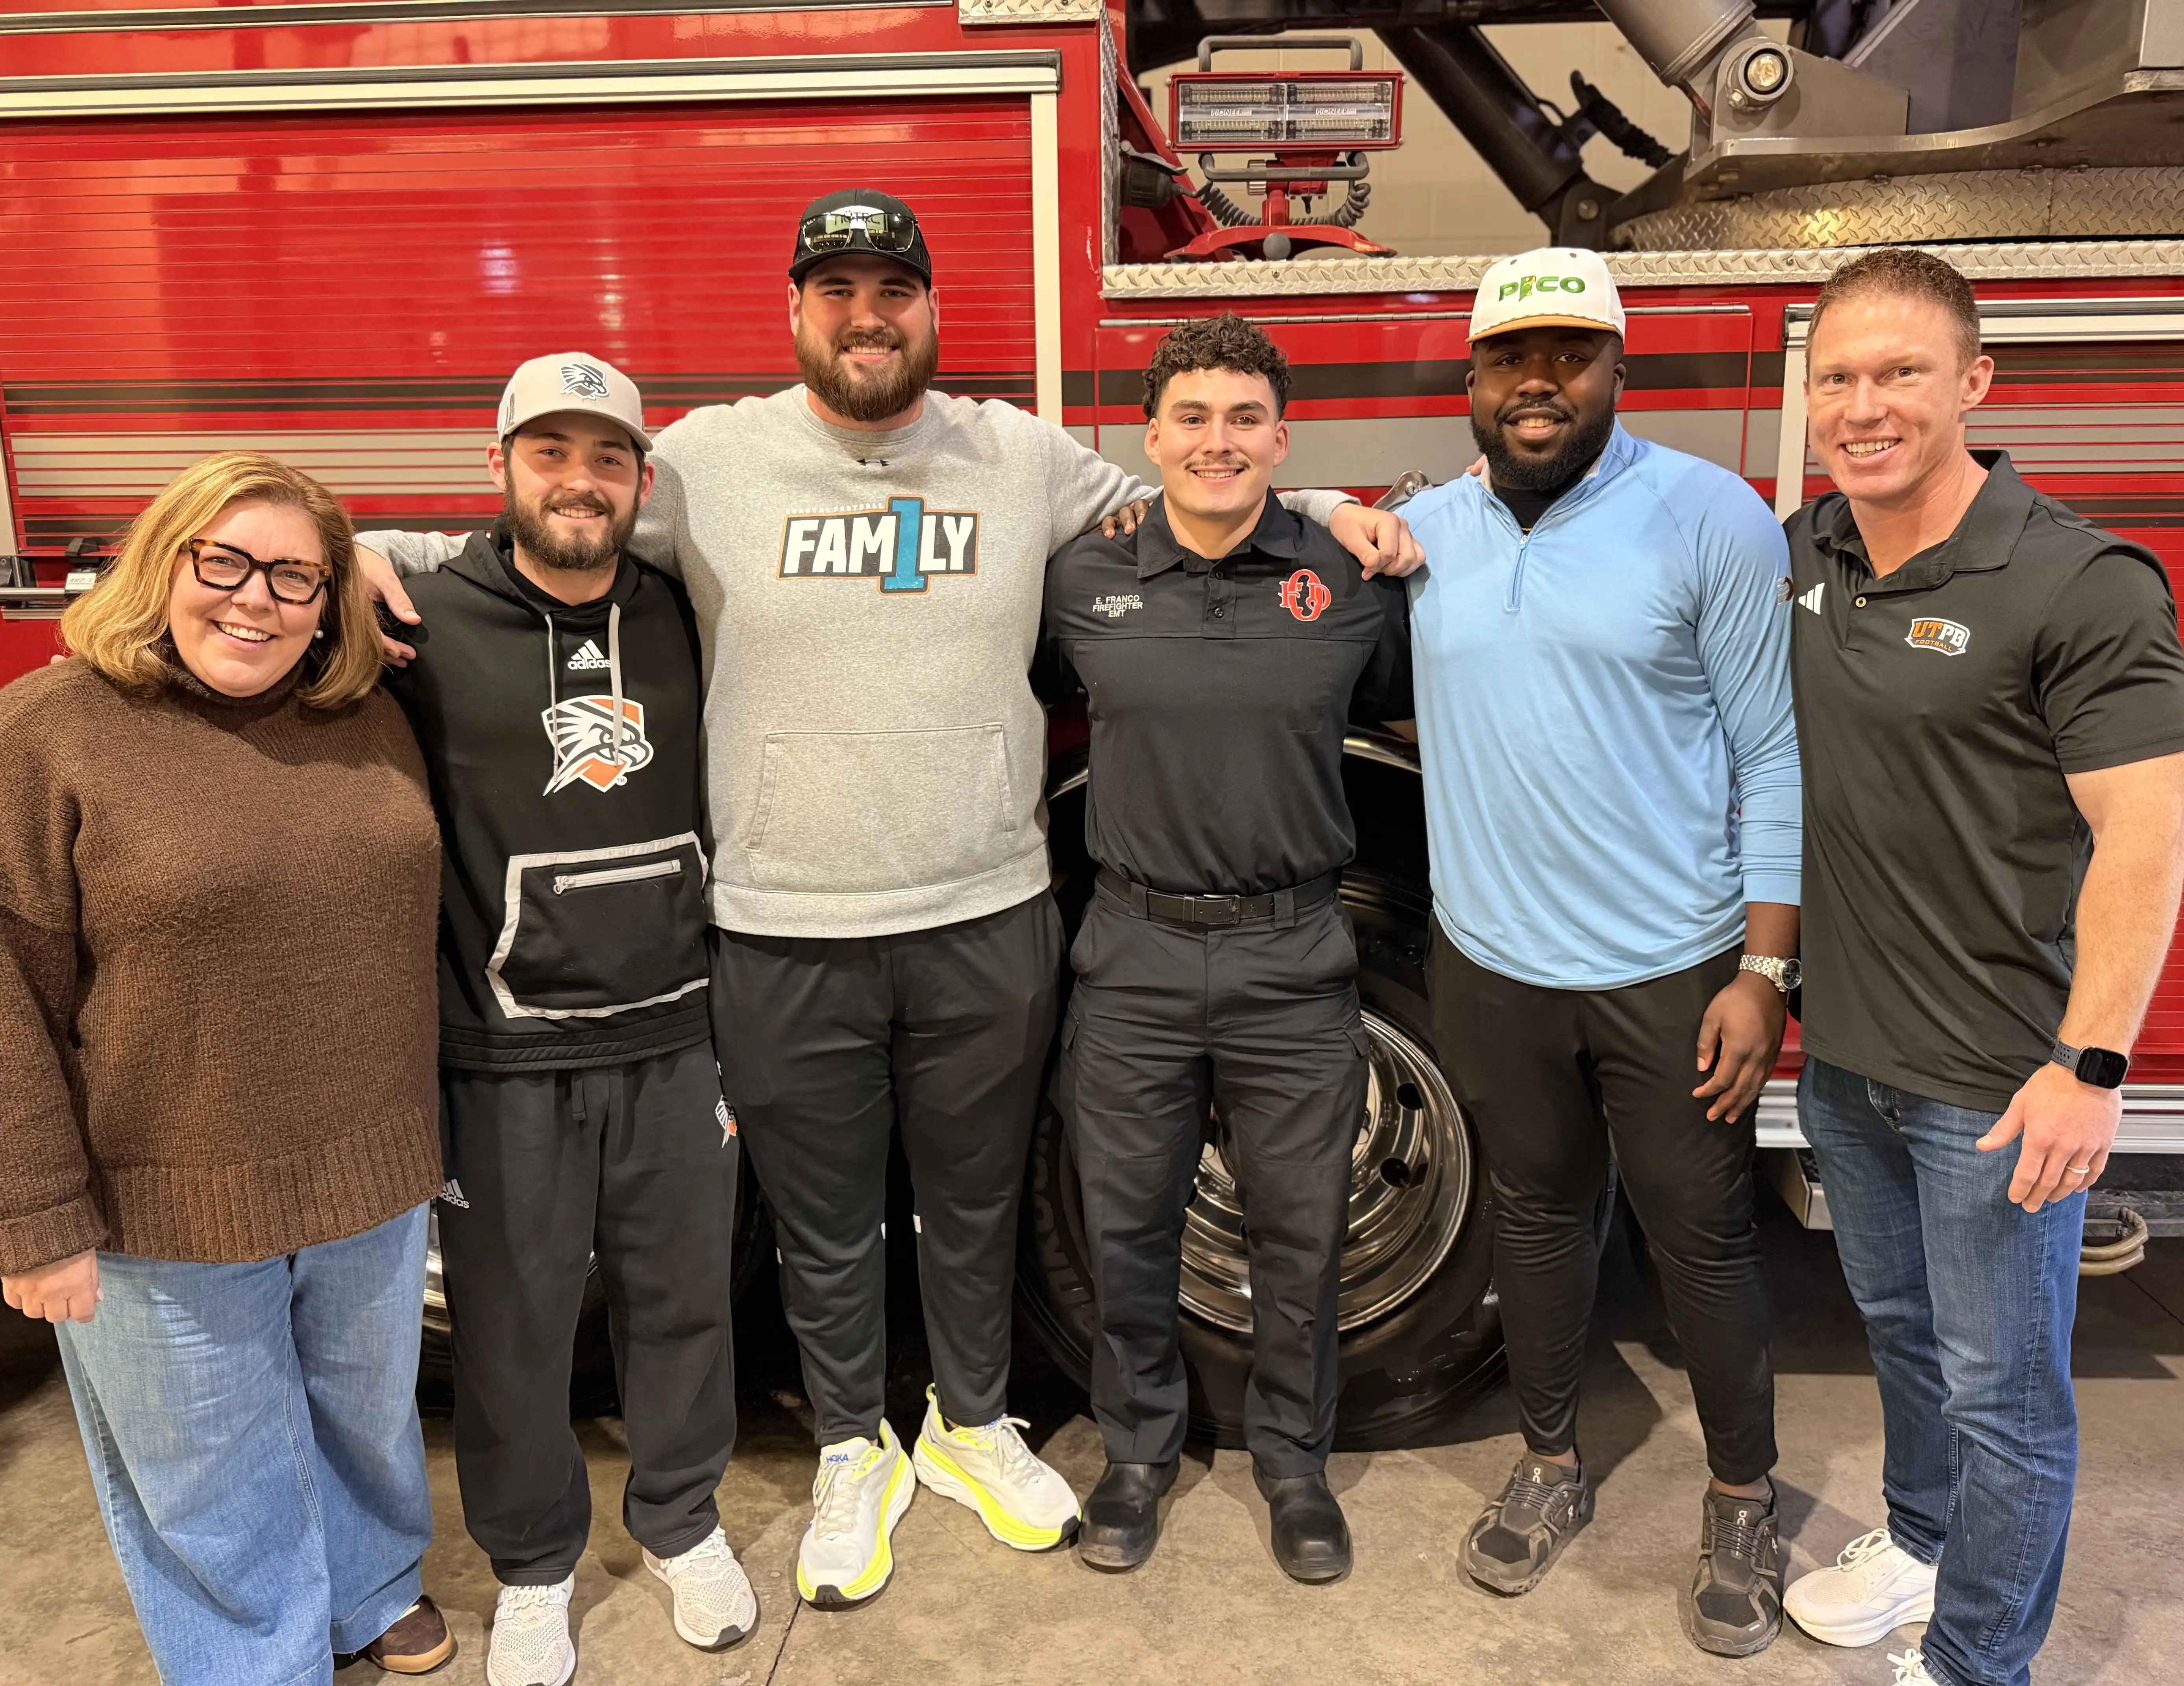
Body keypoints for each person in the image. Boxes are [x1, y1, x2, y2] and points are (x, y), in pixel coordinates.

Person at [355, 189, 1422, 1608]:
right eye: (838, 291)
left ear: (931, 308)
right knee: (825, 1215)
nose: (869, 317)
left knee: (977, 1203)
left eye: (895, 291)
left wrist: (1340, 509)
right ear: (796, 310)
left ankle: (970, 1423)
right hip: (785, 924)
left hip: (988, 912)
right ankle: (855, 1439)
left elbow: (1209, 502)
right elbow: (553, 529)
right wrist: (360, 547)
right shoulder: (704, 460)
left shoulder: (1022, 455)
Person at [1777, 249, 2184, 1686]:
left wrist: (2094, 1066)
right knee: (1901, 1331)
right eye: (1837, 376)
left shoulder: (2079, 580)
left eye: (1901, 372)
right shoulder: (1812, 550)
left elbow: (2147, 838)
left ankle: (1974, 1663)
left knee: (2007, 1396)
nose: (1864, 403)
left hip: (2002, 1089)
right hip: (1848, 1059)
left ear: (1977, 383)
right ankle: (1917, 1535)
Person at [1395, 248, 1801, 1655]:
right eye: (1512, 359)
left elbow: (1775, 752)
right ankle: (1554, 1464)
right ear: (1470, 381)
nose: (1539, 383)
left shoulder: (1713, 519)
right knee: (1537, 1221)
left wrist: (1766, 970)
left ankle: (1743, 1494)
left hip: (1672, 968)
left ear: (1616, 371)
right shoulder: (1426, 527)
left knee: (1703, 1244)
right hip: (1491, 962)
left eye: (1570, 356)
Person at [0, 453, 454, 1683]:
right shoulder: (52, 731)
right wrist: (33, 1216)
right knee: (207, 1468)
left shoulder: (363, 716)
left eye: (293, 574)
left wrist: (368, 556)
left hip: (372, 1166)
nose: (253, 599)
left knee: (368, 1422)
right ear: (163, 562)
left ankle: (371, 1585)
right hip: (164, 1192)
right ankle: (257, 1657)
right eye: (225, 561)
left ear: (329, 600)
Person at [380, 355, 756, 1686]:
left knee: (681, 1304)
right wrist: (351, 544)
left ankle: (681, 1518)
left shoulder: (689, 609)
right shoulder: (419, 614)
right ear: (501, 469)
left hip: (673, 1039)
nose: (579, 481)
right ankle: (534, 1563)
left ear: (641, 483)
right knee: (514, 1327)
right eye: (551, 452)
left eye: (607, 457)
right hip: (501, 1054)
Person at [1038, 316, 1413, 1583]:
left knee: (1297, 1232)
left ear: (1281, 441)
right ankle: (1138, 1455)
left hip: (1294, 956)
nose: (1218, 441)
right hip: (1133, 951)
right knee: (1129, 1227)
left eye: (1245, 418)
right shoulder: (1080, 581)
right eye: (1192, 418)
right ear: (1149, 439)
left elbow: (1415, 703)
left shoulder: (1349, 575)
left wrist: (1384, 517)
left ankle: (1294, 1462)